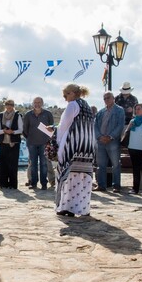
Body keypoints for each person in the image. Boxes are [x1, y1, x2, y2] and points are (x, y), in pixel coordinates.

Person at [54, 83, 95, 217]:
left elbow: (63, 126)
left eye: (66, 95)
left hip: (73, 145)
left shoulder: (73, 105)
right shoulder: (86, 105)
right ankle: (82, 207)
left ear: (72, 93)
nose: (65, 98)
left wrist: (57, 140)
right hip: (86, 148)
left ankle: (66, 206)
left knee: (68, 175)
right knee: (82, 177)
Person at [95, 91, 125, 192]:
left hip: (113, 141)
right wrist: (99, 137)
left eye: (108, 98)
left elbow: (120, 125)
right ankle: (101, 185)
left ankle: (116, 185)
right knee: (100, 165)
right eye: (105, 98)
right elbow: (95, 126)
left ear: (113, 98)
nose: (106, 100)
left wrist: (111, 136)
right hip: (100, 141)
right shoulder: (100, 112)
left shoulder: (119, 110)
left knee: (115, 164)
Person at [23, 97, 54, 190]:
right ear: (33, 103)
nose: (37, 104)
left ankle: (44, 184)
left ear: (42, 103)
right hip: (31, 143)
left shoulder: (48, 114)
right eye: (35, 102)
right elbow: (25, 129)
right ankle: (33, 183)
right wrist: (29, 138)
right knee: (33, 164)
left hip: (44, 143)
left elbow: (52, 128)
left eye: (39, 102)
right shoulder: (28, 114)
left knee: (44, 164)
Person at [0, 99, 23, 189]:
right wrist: (4, 131)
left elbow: (21, 129)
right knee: (3, 163)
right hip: (3, 142)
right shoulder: (1, 115)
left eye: (11, 104)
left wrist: (13, 132)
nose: (9, 106)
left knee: (12, 163)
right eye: (7, 104)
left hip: (14, 142)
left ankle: (12, 184)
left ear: (13, 105)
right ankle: (3, 183)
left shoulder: (17, 115)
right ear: (5, 105)